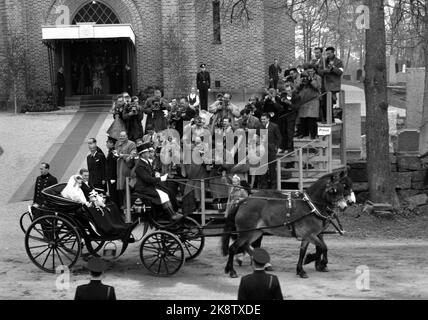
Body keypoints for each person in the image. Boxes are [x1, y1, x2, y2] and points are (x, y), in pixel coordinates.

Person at [133, 143, 183, 221]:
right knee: (163, 195)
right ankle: (171, 215)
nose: (148, 153)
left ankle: (173, 212)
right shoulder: (139, 165)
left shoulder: (147, 162)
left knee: (168, 192)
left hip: (150, 186)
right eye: (147, 152)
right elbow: (147, 179)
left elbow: (151, 173)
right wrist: (160, 179)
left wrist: (156, 174)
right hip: (143, 188)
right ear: (142, 155)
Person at [295, 64, 322, 139]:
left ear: (314, 70)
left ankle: (313, 135)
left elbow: (318, 87)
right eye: (308, 70)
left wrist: (311, 80)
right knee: (303, 119)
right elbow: (296, 87)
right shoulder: (301, 76)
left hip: (313, 100)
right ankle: (304, 133)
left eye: (311, 70)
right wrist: (301, 82)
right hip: (303, 101)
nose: (309, 72)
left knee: (311, 119)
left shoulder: (317, 77)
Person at [318, 47, 344, 121]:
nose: (328, 55)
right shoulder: (323, 61)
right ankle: (325, 119)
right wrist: (325, 71)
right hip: (324, 86)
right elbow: (319, 71)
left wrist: (332, 69)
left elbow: (340, 72)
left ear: (333, 53)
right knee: (323, 104)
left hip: (332, 87)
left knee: (330, 104)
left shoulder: (338, 62)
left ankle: (331, 119)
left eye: (329, 53)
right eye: (327, 53)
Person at [115, 131, 137, 208]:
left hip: (127, 169)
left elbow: (132, 156)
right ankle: (125, 205)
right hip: (120, 168)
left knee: (127, 188)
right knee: (123, 189)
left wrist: (122, 155)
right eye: (120, 136)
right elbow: (117, 153)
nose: (121, 137)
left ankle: (128, 205)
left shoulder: (131, 144)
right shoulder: (118, 144)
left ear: (127, 136)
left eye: (123, 136)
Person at [260, 113, 281, 189]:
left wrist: (277, 147)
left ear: (268, 119)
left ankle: (274, 186)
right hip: (262, 150)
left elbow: (279, 137)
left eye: (264, 119)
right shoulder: (259, 126)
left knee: (272, 169)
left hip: (271, 150)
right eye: (261, 119)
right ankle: (264, 186)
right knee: (263, 169)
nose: (262, 120)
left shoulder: (274, 126)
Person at [106, 137, 119, 205]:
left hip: (112, 178)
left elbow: (114, 166)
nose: (106, 143)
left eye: (108, 142)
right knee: (111, 193)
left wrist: (113, 177)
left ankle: (116, 208)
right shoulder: (110, 152)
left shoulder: (114, 152)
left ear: (113, 144)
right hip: (110, 177)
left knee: (113, 194)